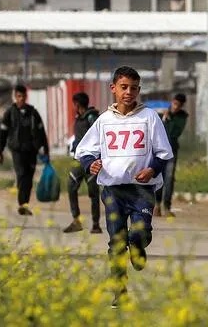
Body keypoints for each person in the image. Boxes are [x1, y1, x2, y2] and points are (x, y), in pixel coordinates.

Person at [76, 66, 173, 309]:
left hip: (142, 190)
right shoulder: (104, 121)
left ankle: (139, 246)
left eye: (133, 88)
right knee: (116, 241)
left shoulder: (149, 117)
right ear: (113, 89)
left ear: (139, 90)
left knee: (138, 233)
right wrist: (91, 164)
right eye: (123, 87)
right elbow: (84, 150)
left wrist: (152, 168)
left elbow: (163, 152)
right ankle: (119, 290)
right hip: (113, 191)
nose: (128, 92)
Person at [0, 84, 49, 216]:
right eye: (19, 96)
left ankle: (25, 204)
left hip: (31, 150)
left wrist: (46, 149)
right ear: (15, 97)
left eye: (24, 96)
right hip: (17, 150)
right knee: (21, 174)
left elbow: (41, 132)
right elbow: (3, 133)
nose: (21, 99)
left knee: (29, 178)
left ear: (26, 97)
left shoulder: (33, 113)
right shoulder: (9, 113)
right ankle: (21, 204)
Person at [64, 92, 102, 234]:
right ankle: (76, 220)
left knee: (93, 192)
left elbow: (99, 136)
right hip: (78, 160)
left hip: (91, 160)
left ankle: (96, 224)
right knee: (71, 187)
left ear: (77, 104)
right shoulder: (79, 118)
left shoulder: (92, 118)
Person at [155, 93, 189, 218]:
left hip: (172, 152)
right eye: (175, 104)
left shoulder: (182, 117)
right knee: (158, 178)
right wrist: (164, 118)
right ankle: (157, 205)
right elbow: (157, 132)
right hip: (159, 151)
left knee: (169, 179)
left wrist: (168, 120)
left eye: (179, 105)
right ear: (172, 102)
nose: (176, 107)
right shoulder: (160, 114)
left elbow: (175, 132)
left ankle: (166, 207)